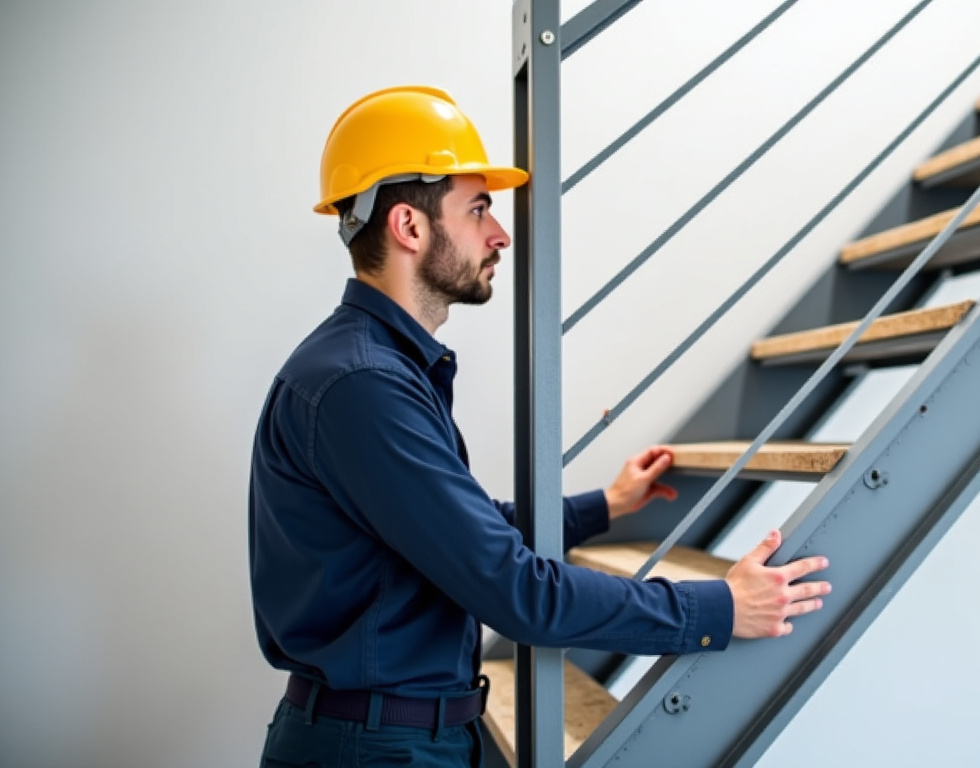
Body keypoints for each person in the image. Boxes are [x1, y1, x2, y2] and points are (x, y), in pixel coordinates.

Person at [249, 85, 831, 768]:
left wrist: (604, 507)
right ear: (409, 227)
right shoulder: (363, 386)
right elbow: (516, 590)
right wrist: (718, 610)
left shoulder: (375, 369)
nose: (500, 234)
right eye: (478, 209)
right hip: (375, 751)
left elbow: (463, 530)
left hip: (397, 740)